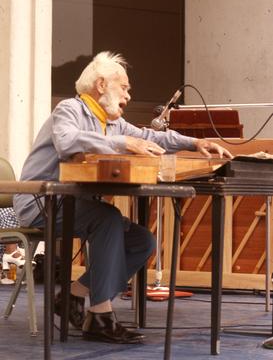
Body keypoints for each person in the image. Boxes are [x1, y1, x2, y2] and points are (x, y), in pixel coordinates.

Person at [13, 51, 232, 344]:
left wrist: (195, 143)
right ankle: (100, 317)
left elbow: (152, 137)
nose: (129, 95)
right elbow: (67, 141)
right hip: (41, 203)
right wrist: (123, 143)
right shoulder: (69, 110)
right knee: (108, 219)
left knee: (142, 241)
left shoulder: (112, 122)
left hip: (78, 203)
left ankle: (72, 296)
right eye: (125, 87)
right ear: (101, 84)